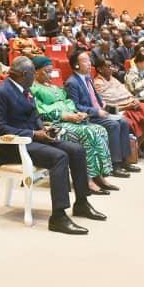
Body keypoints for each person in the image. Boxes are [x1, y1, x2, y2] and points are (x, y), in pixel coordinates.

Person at [0, 57, 105, 235]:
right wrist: (34, 134)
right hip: (13, 147)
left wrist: (45, 129)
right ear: (25, 74)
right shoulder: (1, 92)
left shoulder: (26, 89)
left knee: (76, 150)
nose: (35, 76)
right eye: (33, 73)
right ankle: (58, 217)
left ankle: (81, 203)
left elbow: (34, 117)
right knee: (59, 157)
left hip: (34, 139)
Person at [29, 56, 116, 194]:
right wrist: (65, 115)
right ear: (35, 71)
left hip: (69, 119)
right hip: (53, 124)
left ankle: (99, 175)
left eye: (51, 71)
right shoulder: (33, 89)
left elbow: (68, 103)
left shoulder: (52, 86)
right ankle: (87, 179)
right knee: (89, 133)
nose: (49, 75)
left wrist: (76, 113)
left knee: (100, 130)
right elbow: (39, 111)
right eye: (46, 71)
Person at [65, 51, 140, 176]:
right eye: (85, 61)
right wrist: (97, 111)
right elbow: (75, 106)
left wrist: (103, 105)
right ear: (76, 65)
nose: (89, 63)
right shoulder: (72, 82)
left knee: (123, 121)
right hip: (88, 117)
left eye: (89, 60)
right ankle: (115, 164)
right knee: (114, 125)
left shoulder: (87, 78)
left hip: (99, 112)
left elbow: (96, 98)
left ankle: (124, 160)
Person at [91, 54, 144, 153]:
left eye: (112, 66)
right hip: (118, 110)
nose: (111, 69)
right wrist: (127, 106)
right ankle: (136, 149)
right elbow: (108, 103)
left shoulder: (113, 79)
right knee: (143, 113)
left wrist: (133, 99)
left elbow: (124, 93)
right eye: (107, 67)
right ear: (99, 69)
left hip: (130, 105)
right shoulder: (98, 83)